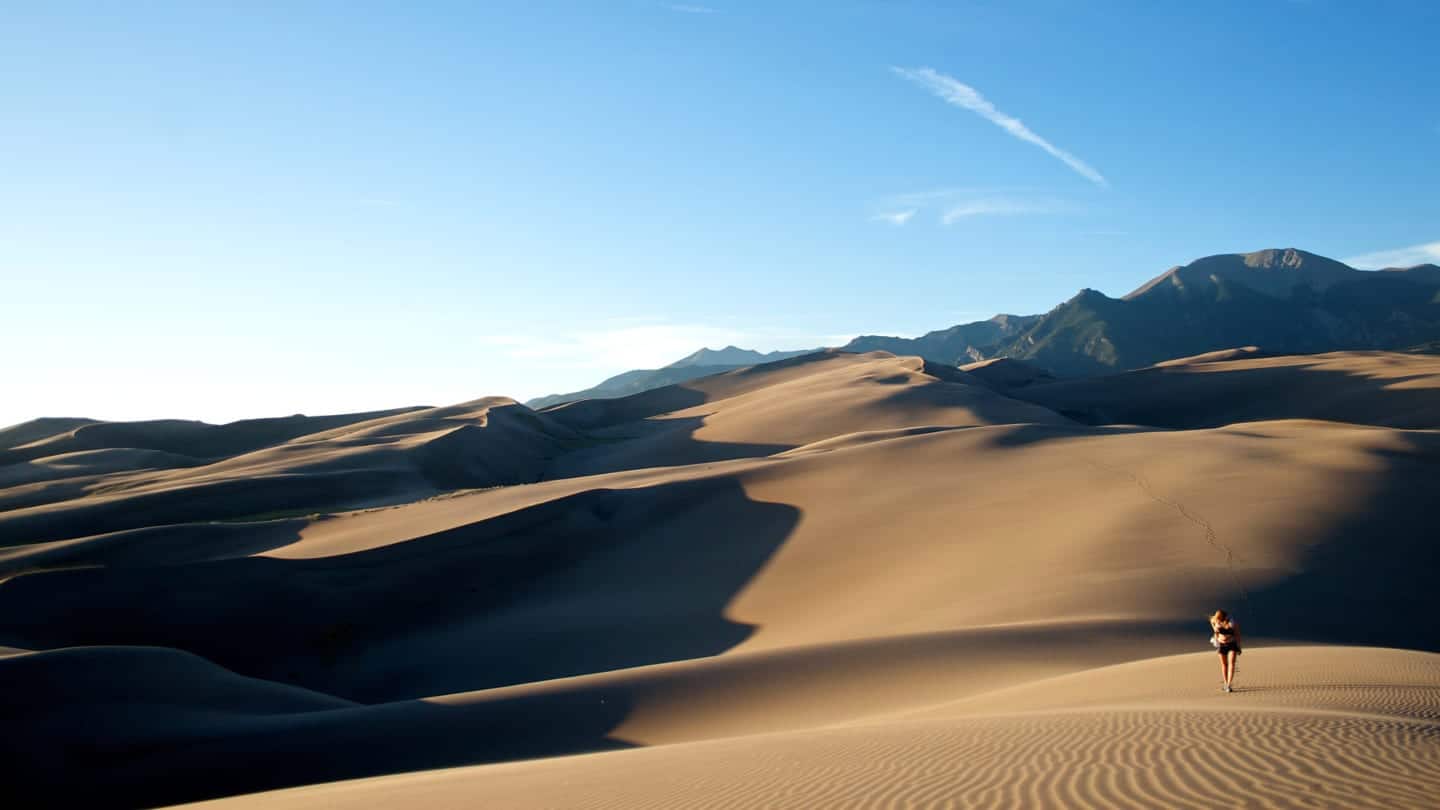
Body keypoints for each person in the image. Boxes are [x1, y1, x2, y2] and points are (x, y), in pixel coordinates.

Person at [1210, 609, 1242, 692]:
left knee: (1232, 663)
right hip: (1221, 645)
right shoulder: (1215, 620)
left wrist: (1238, 646)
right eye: (1217, 618)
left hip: (1232, 644)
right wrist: (1215, 630)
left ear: (1223, 617)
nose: (1218, 619)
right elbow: (1212, 622)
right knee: (1224, 664)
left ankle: (1228, 684)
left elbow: (1237, 633)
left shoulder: (1231, 622)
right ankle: (1225, 682)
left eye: (1219, 618)